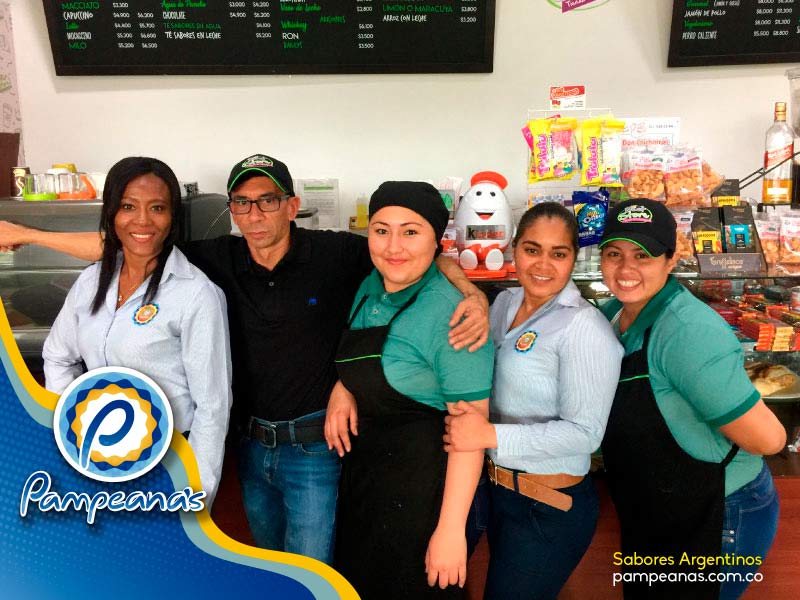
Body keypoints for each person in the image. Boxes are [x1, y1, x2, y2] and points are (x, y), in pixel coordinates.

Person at [0, 154, 489, 564]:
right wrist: (27, 235)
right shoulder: (216, 259)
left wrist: (470, 292)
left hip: (314, 448)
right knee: (267, 565)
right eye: (242, 202)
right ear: (232, 210)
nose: (255, 215)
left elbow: (411, 251)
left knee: (311, 571)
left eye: (268, 200)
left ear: (292, 206)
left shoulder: (336, 254)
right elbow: (130, 244)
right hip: (251, 447)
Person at [597, 199, 787, 600]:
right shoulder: (614, 312)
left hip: (717, 511)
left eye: (643, 255)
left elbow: (770, 440)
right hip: (657, 508)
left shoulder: (687, 332)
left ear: (671, 260)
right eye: (614, 254)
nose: (626, 269)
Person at [442, 202, 623, 599]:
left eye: (558, 253)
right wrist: (472, 292)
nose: (543, 265)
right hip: (498, 492)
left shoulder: (583, 328)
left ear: (574, 258)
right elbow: (440, 262)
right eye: (532, 249)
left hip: (548, 507)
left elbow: (585, 435)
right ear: (513, 248)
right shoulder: (504, 303)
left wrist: (488, 435)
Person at [325, 181, 493, 599]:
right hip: (366, 485)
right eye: (381, 230)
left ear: (437, 240)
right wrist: (344, 386)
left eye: (411, 231)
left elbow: (469, 433)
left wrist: (450, 531)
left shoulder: (455, 315)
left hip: (425, 496)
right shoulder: (370, 286)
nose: (393, 246)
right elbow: (369, 356)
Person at [42, 156, 232, 506]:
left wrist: (195, 495)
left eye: (157, 208)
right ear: (111, 213)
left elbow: (212, 405)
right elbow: (57, 356)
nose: (143, 220)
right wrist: (69, 424)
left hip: (166, 465)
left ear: (172, 217)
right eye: (128, 206)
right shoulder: (91, 281)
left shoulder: (196, 294)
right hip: (94, 461)